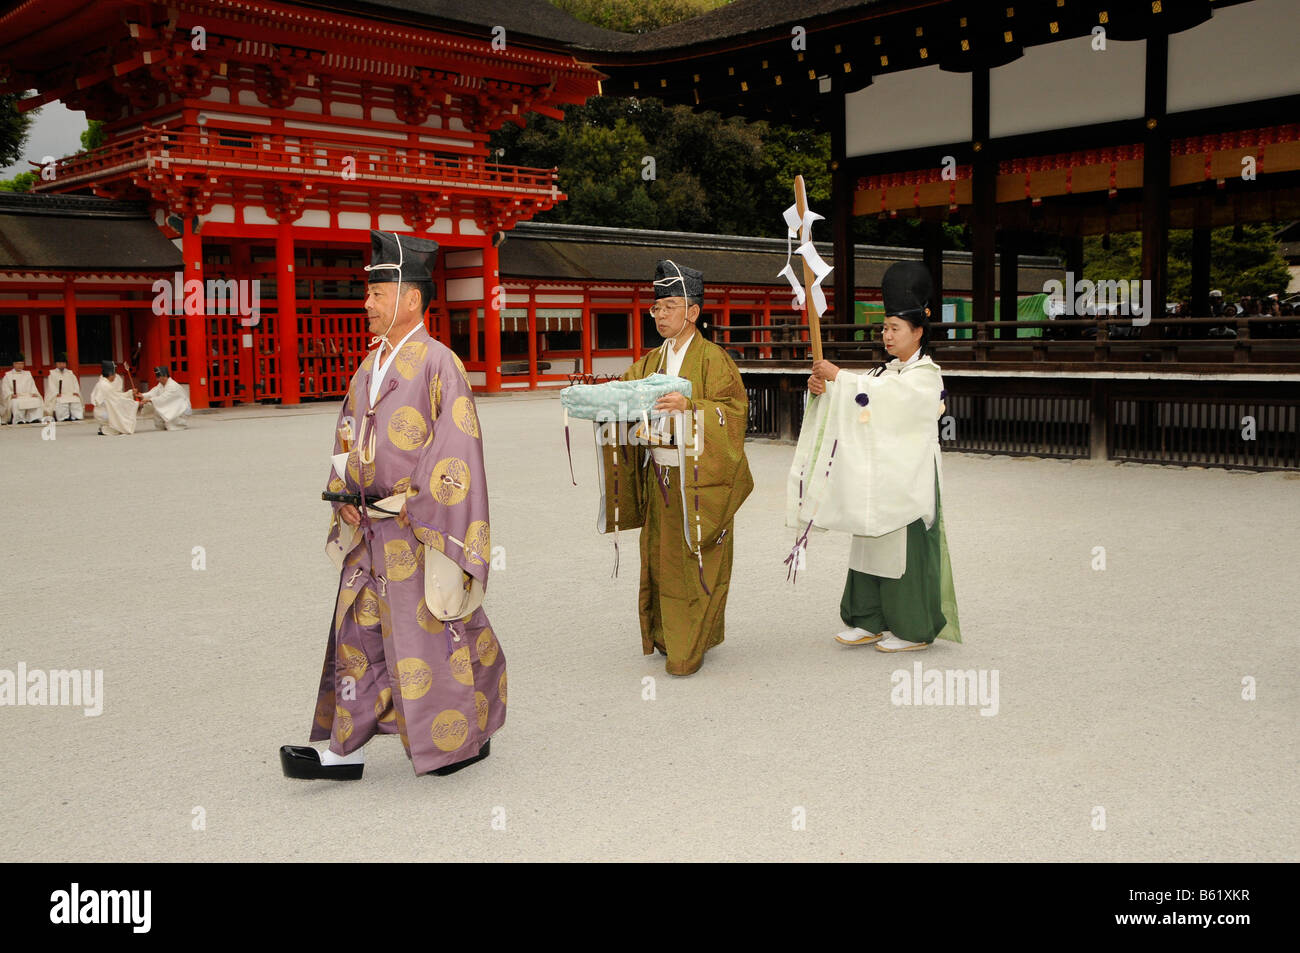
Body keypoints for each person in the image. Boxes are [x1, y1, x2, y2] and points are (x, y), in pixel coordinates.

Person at [281, 229, 504, 780]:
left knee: (426, 636)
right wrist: (346, 498)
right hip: (369, 527)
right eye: (368, 294)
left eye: (376, 294)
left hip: (416, 527)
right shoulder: (369, 365)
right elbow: (349, 437)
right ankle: (343, 749)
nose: (366, 304)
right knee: (357, 637)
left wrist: (416, 504)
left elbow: (457, 450)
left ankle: (455, 742)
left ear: (409, 299)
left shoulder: (439, 364)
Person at [601, 259, 753, 677]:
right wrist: (602, 401)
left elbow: (735, 414)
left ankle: (690, 645)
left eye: (670, 306)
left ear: (693, 311)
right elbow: (626, 395)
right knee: (660, 558)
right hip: (660, 477)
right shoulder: (651, 361)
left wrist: (693, 408)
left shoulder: (714, 360)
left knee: (696, 559)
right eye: (657, 308)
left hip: (699, 482)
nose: (661, 315)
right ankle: (668, 635)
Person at [804, 260, 961, 653]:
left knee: (901, 548)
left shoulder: (925, 375)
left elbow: (893, 402)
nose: (886, 335)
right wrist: (827, 391)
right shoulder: (882, 372)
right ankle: (868, 618)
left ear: (918, 332)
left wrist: (841, 377)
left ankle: (912, 627)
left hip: (908, 477)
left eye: (895, 328)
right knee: (868, 542)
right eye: (884, 328)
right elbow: (861, 401)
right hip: (877, 478)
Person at [90, 360, 139, 435]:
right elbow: (118, 399)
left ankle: (106, 426)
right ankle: (105, 429)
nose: (115, 376)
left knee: (118, 414)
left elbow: (117, 396)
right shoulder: (105, 386)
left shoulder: (103, 383)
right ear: (110, 374)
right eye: (114, 374)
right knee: (118, 427)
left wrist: (130, 393)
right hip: (103, 413)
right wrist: (135, 403)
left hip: (102, 411)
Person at [138, 365, 191, 430]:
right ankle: (163, 425)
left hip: (180, 408)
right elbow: (154, 392)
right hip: (172, 405)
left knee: (170, 419)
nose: (157, 379)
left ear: (165, 376)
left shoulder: (173, 386)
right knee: (158, 409)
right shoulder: (161, 384)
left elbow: (164, 398)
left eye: (159, 377)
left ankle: (180, 424)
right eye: (157, 377)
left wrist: (150, 400)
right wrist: (142, 395)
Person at [2, 355, 43, 424]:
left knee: (36, 400)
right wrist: (11, 395)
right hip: (16, 396)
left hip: (27, 395)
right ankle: (19, 420)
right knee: (16, 402)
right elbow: (5, 388)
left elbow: (32, 386)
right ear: (14, 364)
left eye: (21, 364)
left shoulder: (27, 374)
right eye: (18, 364)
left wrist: (34, 393)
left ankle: (33, 418)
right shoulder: (8, 375)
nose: (20, 366)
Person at [43, 355, 83, 421]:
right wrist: (56, 393)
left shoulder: (70, 373)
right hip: (60, 394)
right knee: (61, 401)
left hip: (70, 393)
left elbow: (75, 384)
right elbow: (51, 386)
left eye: (63, 363)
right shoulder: (52, 374)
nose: (62, 365)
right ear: (56, 364)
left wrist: (76, 391)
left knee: (75, 399)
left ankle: (76, 416)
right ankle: (63, 417)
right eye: (60, 363)